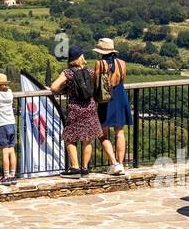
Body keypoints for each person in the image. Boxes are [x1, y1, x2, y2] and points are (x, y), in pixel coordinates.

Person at [50, 46, 103, 177]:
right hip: (90, 108)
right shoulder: (90, 72)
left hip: (75, 109)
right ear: (81, 58)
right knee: (87, 139)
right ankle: (85, 169)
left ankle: (74, 168)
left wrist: (66, 87)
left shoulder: (68, 73)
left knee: (69, 137)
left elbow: (54, 87)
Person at [92, 37, 131, 175]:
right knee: (120, 132)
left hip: (106, 100)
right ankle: (120, 164)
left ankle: (113, 163)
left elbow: (95, 82)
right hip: (121, 96)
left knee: (102, 134)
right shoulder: (122, 63)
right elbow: (122, 79)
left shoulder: (100, 64)